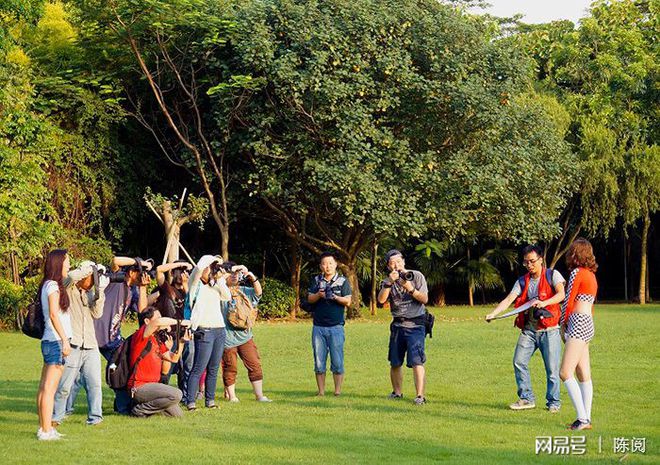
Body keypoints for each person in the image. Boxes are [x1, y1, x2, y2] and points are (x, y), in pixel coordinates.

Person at [486, 245, 565, 413]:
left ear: (541, 260)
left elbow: (561, 294)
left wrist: (544, 303)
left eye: (532, 261)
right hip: (528, 331)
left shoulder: (552, 275)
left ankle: (553, 402)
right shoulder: (522, 281)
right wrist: (493, 313)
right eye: (526, 262)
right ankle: (527, 398)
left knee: (552, 369)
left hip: (549, 330)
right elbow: (508, 300)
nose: (529, 265)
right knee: (519, 361)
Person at [71, 256, 151, 415]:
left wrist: (143, 287)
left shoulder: (132, 289)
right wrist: (138, 262)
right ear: (132, 272)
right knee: (77, 376)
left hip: (112, 338)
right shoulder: (116, 280)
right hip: (94, 334)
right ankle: (64, 408)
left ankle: (122, 407)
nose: (142, 275)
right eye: (140, 272)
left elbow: (142, 310)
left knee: (121, 369)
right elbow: (115, 260)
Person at [52, 261, 108, 428]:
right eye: (92, 278)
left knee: (95, 385)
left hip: (90, 345)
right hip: (73, 344)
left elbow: (97, 314)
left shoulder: (90, 293)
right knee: (64, 386)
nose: (93, 281)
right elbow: (70, 276)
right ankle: (56, 417)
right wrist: (91, 269)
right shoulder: (68, 289)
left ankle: (95, 418)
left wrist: (100, 291)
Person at [377, 249, 429, 405]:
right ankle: (397, 393)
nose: (396, 265)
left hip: (415, 324)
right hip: (398, 325)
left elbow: (424, 299)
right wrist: (388, 283)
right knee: (395, 361)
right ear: (388, 266)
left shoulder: (416, 276)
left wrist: (409, 287)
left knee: (416, 361)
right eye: (392, 263)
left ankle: (420, 396)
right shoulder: (387, 281)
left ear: (404, 262)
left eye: (399, 262)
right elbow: (381, 301)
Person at [559, 238, 598, 431]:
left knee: (565, 372)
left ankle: (582, 419)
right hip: (588, 323)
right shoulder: (591, 275)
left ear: (574, 254)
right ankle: (586, 418)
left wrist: (562, 324)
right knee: (583, 373)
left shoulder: (577, 273)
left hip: (577, 323)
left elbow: (568, 300)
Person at [185, 255, 231, 410]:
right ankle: (190, 401)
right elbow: (199, 268)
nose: (210, 270)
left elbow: (227, 296)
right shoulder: (195, 284)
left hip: (219, 329)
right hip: (204, 330)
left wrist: (220, 279)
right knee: (199, 367)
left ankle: (209, 401)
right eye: (210, 267)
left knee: (213, 368)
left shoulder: (215, 285)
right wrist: (213, 260)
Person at [220, 262, 271, 402]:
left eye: (237, 274)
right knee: (230, 367)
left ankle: (259, 395)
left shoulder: (244, 290)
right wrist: (229, 272)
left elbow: (258, 293)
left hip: (245, 336)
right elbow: (218, 281)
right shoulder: (220, 291)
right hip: (227, 339)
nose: (235, 276)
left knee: (254, 364)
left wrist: (251, 276)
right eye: (232, 274)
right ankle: (232, 396)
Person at [36, 249, 72, 440]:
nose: (68, 265)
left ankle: (45, 427)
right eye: (66, 261)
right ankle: (46, 430)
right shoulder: (53, 287)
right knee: (50, 389)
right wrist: (65, 340)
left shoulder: (48, 284)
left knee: (44, 388)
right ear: (58, 263)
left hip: (49, 340)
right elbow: (53, 314)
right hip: (56, 341)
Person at [128, 307, 188, 417]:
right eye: (159, 317)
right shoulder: (141, 336)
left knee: (178, 415)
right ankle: (139, 410)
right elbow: (158, 322)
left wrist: (181, 342)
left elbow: (173, 359)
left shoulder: (157, 340)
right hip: (140, 386)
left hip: (153, 386)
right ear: (147, 321)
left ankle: (148, 408)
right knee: (177, 394)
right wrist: (180, 322)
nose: (161, 320)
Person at [307, 252, 352, 396]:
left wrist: (335, 297)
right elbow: (309, 299)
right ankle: (321, 392)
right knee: (319, 361)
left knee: (337, 360)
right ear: (321, 266)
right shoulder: (316, 280)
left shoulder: (343, 281)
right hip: (318, 327)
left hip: (336, 326)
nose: (328, 266)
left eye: (330, 263)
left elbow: (348, 301)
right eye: (324, 264)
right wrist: (318, 295)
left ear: (336, 264)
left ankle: (337, 391)